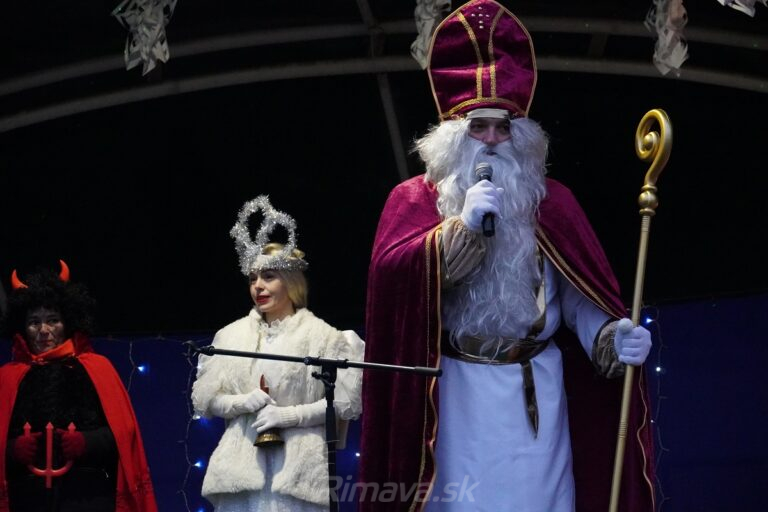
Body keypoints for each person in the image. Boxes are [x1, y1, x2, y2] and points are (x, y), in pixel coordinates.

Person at [359, 1, 655, 511]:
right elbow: (393, 289)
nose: (493, 141)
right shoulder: (412, 200)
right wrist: (458, 231)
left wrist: (612, 336)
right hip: (455, 396)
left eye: (505, 127)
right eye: (479, 127)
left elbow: (579, 297)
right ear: (454, 136)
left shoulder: (552, 202)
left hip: (535, 398)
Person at [191, 196, 364, 511]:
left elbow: (341, 405)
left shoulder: (324, 337)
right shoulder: (229, 336)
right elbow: (209, 400)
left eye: (269, 276)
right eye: (253, 278)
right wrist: (241, 402)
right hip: (239, 473)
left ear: (291, 282)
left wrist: (290, 415)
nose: (258, 286)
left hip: (297, 474)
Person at [0, 260, 157, 511]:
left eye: (53, 320)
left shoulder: (97, 368)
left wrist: (86, 442)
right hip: (27, 499)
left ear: (68, 323)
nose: (44, 330)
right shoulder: (7, 377)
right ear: (23, 327)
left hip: (88, 497)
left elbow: (123, 436)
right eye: (34, 322)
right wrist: (11, 450)